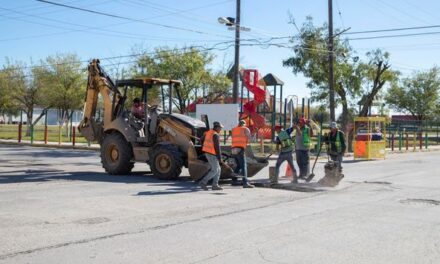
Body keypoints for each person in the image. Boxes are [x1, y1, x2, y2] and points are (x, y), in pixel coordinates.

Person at [199, 121, 224, 191]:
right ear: (217, 127)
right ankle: (203, 182)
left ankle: (215, 185)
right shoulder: (215, 135)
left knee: (218, 170)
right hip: (211, 154)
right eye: (220, 128)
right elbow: (217, 148)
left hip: (208, 152)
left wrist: (204, 147)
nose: (221, 129)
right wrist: (220, 158)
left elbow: (201, 140)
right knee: (215, 170)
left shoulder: (208, 132)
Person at [231, 119, 255, 188]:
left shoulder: (234, 129)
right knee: (244, 166)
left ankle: (234, 180)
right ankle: (245, 183)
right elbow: (250, 140)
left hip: (233, 149)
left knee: (238, 166)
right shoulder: (245, 129)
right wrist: (254, 134)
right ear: (244, 124)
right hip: (240, 149)